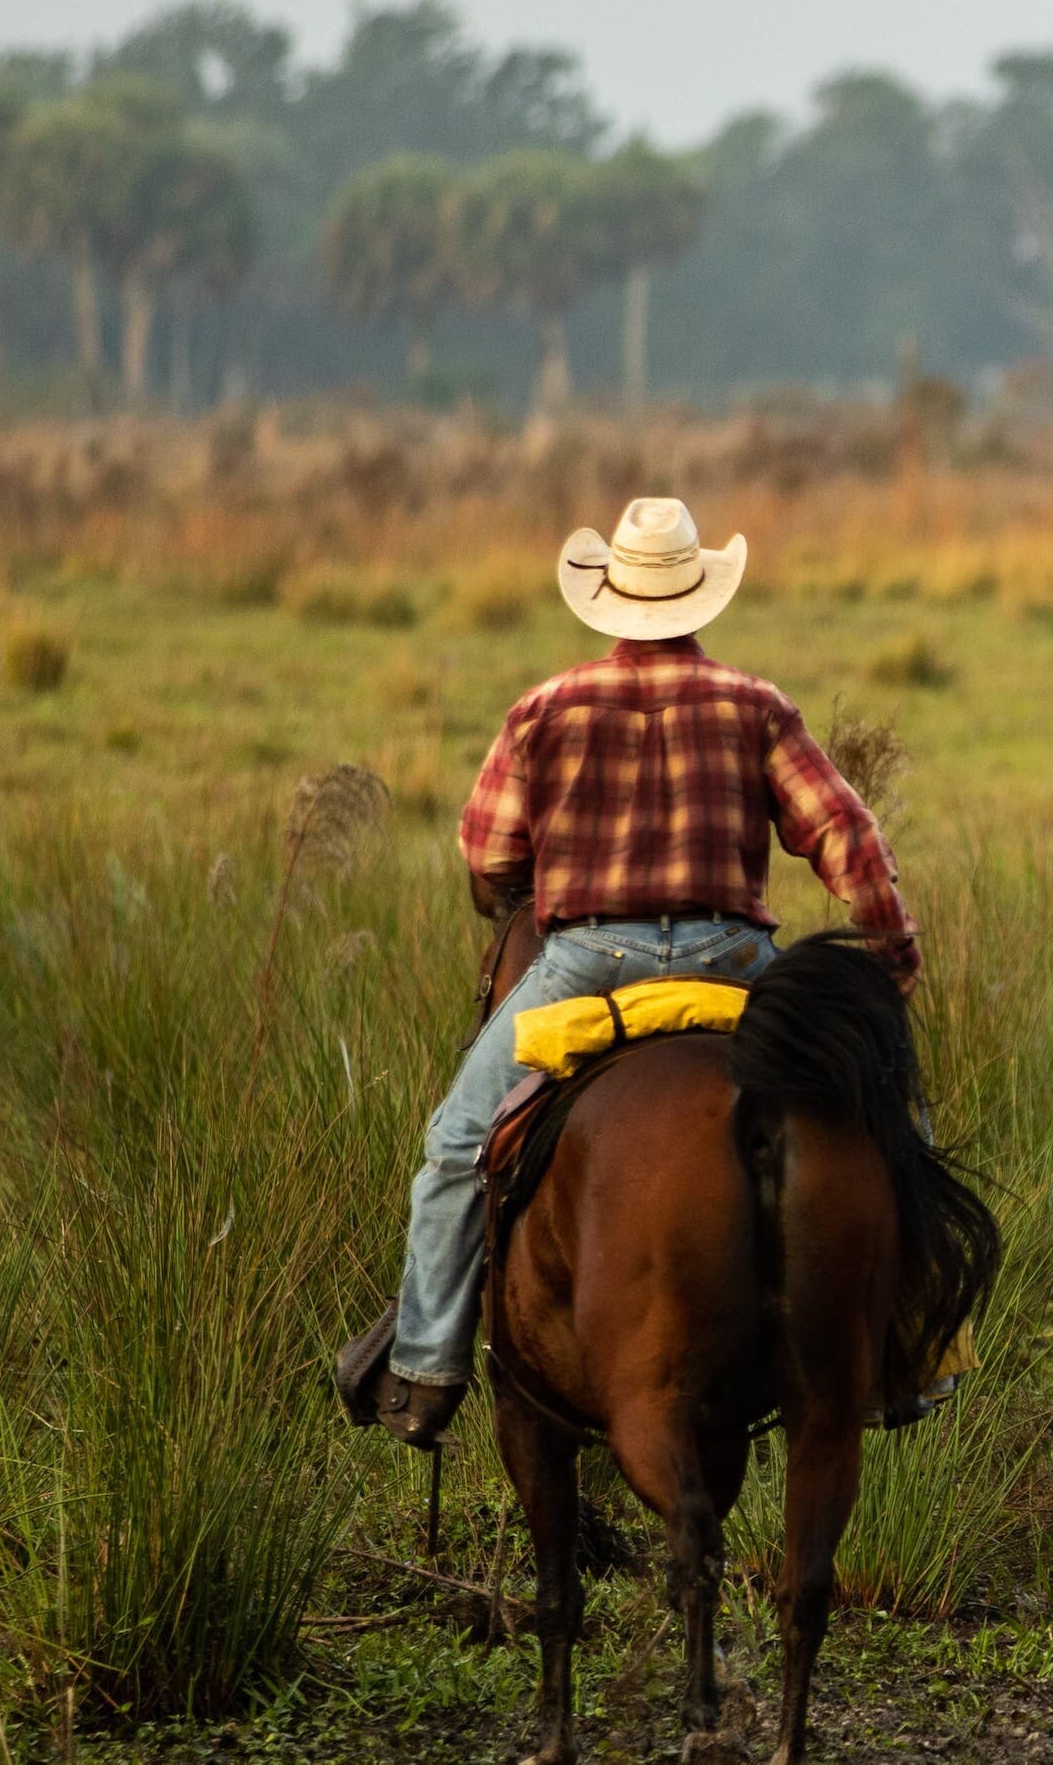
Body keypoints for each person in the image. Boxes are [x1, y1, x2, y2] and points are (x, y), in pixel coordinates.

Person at [334, 497, 919, 1446]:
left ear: (606, 597)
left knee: (453, 1147)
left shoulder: (544, 710)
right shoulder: (757, 706)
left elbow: (486, 852)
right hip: (738, 963)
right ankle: (903, 1353)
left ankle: (427, 1367)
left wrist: (537, 877)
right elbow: (844, 831)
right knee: (886, 1119)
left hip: (586, 962)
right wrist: (891, 948)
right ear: (698, 599)